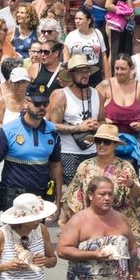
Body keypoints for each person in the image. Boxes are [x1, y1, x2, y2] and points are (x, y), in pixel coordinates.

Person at [62, 122, 140, 280]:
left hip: (121, 223)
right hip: (92, 224)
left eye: (106, 142)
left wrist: (131, 185)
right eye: (98, 141)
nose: (101, 145)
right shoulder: (85, 167)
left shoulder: (125, 167)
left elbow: (137, 199)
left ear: (115, 145)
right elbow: (74, 198)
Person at [0, 87, 62, 223]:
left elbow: (56, 167)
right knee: (8, 240)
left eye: (45, 104)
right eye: (37, 104)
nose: (41, 107)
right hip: (13, 199)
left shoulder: (52, 132)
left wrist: (58, 200)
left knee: (37, 240)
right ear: (25, 103)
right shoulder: (8, 131)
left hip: (39, 198)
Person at [47, 52, 103, 186]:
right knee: (73, 194)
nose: (84, 75)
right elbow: (52, 125)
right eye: (80, 72)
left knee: (91, 191)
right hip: (69, 152)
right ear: (71, 74)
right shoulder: (62, 95)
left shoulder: (97, 94)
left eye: (86, 71)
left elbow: (103, 120)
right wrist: (79, 128)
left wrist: (97, 126)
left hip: (92, 151)